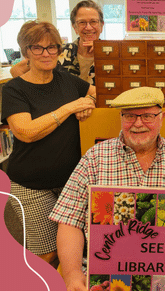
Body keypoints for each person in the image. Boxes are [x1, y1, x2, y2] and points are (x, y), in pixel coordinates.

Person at [49, 87, 165, 291]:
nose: (138, 123)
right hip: (103, 276)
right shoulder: (94, 158)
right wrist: (72, 274)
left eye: (148, 116)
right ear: (121, 118)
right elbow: (69, 220)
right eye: (130, 116)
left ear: (161, 117)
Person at [1, 20, 96, 265]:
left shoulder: (68, 80)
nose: (46, 53)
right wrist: (70, 107)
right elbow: (25, 132)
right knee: (46, 253)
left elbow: (99, 94)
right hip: (32, 185)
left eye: (52, 47)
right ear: (25, 51)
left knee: (75, 247)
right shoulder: (14, 90)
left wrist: (89, 105)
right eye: (38, 48)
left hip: (71, 183)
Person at [10, 0, 104, 84]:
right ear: (75, 27)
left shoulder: (114, 54)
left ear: (101, 25)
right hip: (65, 104)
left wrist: (101, 49)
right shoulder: (58, 51)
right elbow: (17, 69)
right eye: (82, 22)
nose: (88, 27)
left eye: (93, 22)